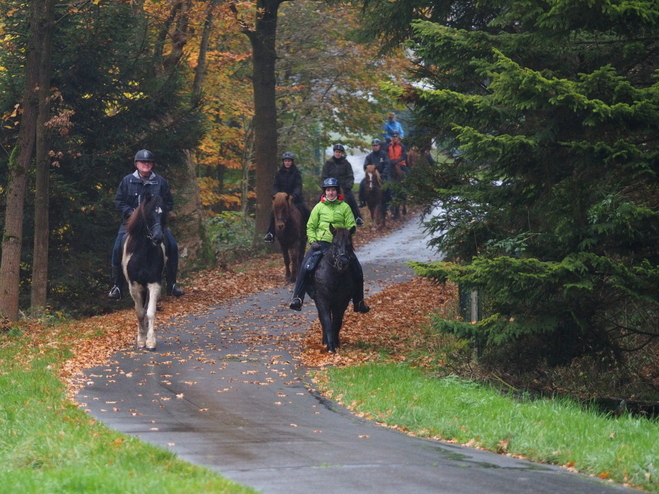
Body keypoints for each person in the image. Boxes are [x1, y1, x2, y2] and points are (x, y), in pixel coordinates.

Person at [108, 149, 184, 300]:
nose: (146, 165)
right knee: (117, 247)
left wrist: (159, 214)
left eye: (149, 162)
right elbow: (119, 202)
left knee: (173, 246)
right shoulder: (127, 181)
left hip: (155, 224)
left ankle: (172, 284)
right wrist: (133, 214)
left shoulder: (160, 182)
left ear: (152, 165)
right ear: (136, 164)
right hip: (131, 224)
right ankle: (117, 286)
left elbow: (169, 202)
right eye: (143, 162)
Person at [289, 178, 370, 313]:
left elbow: (351, 224)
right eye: (328, 190)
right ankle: (298, 298)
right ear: (325, 192)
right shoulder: (319, 207)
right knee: (306, 266)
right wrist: (313, 240)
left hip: (340, 245)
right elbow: (310, 226)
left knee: (357, 268)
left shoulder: (344, 207)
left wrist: (347, 233)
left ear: (336, 191)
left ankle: (359, 301)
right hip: (322, 243)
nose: (330, 193)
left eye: (333, 190)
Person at [264, 151, 309, 243]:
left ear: (292, 162)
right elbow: (275, 186)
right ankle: (270, 233)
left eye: (289, 161)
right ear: (283, 162)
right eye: (285, 161)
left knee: (306, 210)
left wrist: (293, 196)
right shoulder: (279, 173)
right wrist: (277, 195)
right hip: (281, 200)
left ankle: (308, 231)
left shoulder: (296, 173)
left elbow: (298, 186)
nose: (287, 163)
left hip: (295, 199)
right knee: (273, 213)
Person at [321, 143, 364, 226]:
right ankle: (315, 218)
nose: (338, 153)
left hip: (344, 187)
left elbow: (350, 176)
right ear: (334, 152)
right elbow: (324, 176)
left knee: (352, 199)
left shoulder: (346, 164)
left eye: (340, 152)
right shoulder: (328, 164)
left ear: (342, 153)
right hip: (330, 187)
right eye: (336, 152)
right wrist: (325, 187)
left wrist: (347, 187)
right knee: (319, 200)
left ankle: (357, 217)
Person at [358, 138, 391, 207]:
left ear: (379, 146)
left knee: (389, 186)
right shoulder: (369, 156)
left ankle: (390, 201)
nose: (375, 147)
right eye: (374, 146)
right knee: (362, 184)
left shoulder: (384, 155)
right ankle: (362, 201)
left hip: (382, 175)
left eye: (376, 145)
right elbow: (365, 166)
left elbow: (387, 164)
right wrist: (369, 171)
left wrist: (384, 173)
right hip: (372, 176)